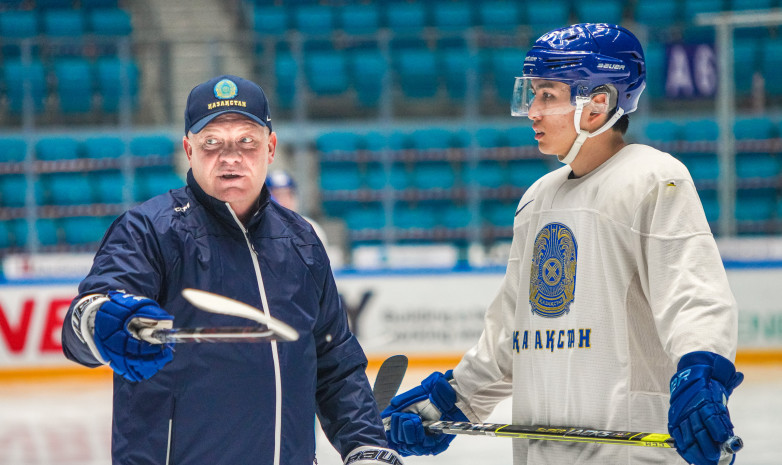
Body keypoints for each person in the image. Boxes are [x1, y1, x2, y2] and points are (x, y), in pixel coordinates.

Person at [381, 24, 742, 465]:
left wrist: (701, 375)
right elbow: (511, 337)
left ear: (599, 104)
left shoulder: (653, 178)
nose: (532, 111)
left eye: (547, 96)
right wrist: (447, 400)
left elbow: (693, 296)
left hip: (627, 454)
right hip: (539, 452)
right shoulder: (536, 199)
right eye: (531, 95)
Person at [61, 74, 403, 465]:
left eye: (246, 141)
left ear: (270, 148)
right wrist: (98, 321)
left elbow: (335, 360)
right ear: (188, 150)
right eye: (212, 143)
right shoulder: (148, 231)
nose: (230, 156)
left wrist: (365, 445)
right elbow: (85, 320)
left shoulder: (302, 240)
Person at [266, 169, 329, 247]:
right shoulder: (258, 231)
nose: (284, 200)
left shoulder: (311, 228)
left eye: (288, 195)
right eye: (277, 195)